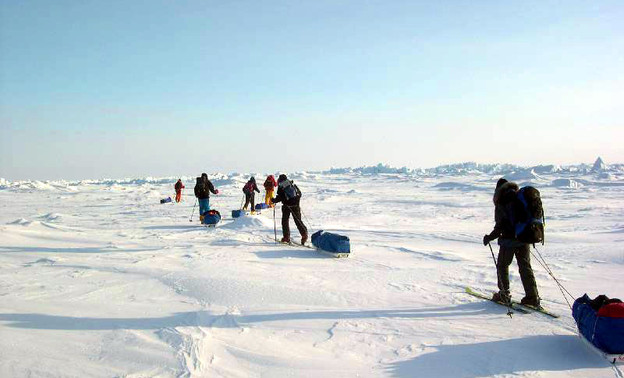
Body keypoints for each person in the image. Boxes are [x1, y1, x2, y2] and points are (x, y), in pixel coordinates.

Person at [483, 178, 541, 307]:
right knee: (525, 267)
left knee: (502, 266)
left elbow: (500, 225)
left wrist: (489, 237)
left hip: (509, 240)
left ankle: (504, 294)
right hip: (524, 238)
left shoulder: (503, 199)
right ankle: (532, 297)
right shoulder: (520, 197)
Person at [271, 174, 308, 245]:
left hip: (286, 206)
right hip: (296, 205)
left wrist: (274, 200)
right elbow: (299, 193)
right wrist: (296, 202)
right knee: (298, 220)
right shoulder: (292, 184)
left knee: (285, 221)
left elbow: (280, 197)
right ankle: (304, 234)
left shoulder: (281, 185)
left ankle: (286, 237)